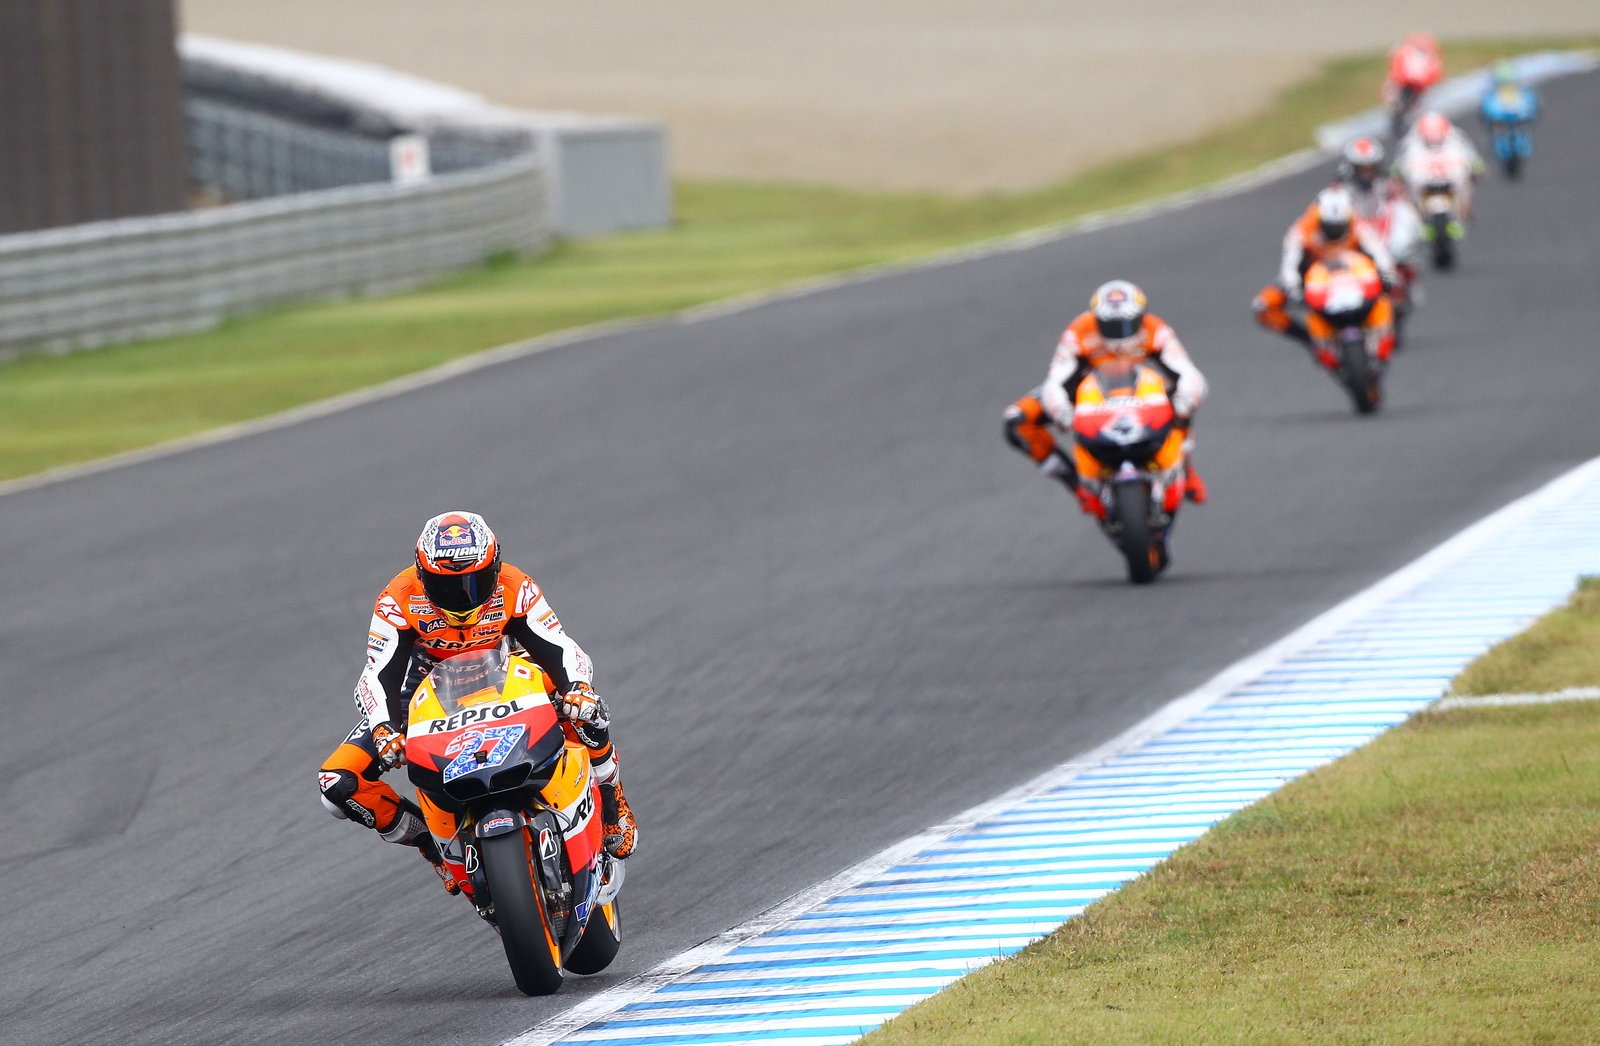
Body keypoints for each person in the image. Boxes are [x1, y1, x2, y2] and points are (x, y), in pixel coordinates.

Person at [318, 510, 637, 897]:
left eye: (476, 580)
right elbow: (377, 673)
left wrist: (578, 686)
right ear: (422, 573)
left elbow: (559, 645)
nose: (464, 595)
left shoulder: (516, 586)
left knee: (587, 709)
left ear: (495, 564)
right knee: (337, 783)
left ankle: (611, 799)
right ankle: (429, 844)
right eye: (447, 584)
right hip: (424, 692)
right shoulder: (397, 599)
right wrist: (384, 727)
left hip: (513, 672)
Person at [1003, 279, 1209, 508]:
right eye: (1110, 325)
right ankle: (1076, 484)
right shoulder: (1079, 331)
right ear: (1096, 318)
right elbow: (1055, 379)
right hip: (1086, 389)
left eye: (1128, 323)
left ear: (1141, 316)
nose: (1120, 334)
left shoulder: (1155, 329)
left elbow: (1187, 372)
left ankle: (1184, 463)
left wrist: (1185, 399)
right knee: (1017, 420)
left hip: (1139, 386)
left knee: (1181, 396)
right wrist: (1061, 410)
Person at [1253, 185, 1399, 348]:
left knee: (1394, 286)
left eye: (1339, 226)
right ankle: (1309, 339)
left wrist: (1387, 273)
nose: (1334, 232)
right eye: (1329, 226)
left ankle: (1383, 331)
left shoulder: (1358, 225)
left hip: (1354, 273)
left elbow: (1379, 251)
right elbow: (1289, 263)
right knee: (1263, 305)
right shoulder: (1301, 229)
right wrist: (1293, 286)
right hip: (1312, 277)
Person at [1333, 137, 1423, 307]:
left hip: (1384, 233)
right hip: (1356, 237)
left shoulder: (1388, 185)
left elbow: (1405, 207)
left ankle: (1407, 283)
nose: (1366, 173)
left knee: (1403, 247)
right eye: (1361, 169)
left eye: (1370, 168)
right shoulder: (1340, 189)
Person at [1394, 111, 1485, 221]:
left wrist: (1476, 167)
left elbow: (1472, 156)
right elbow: (1399, 163)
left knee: (1466, 183)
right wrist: (1398, 173)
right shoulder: (1411, 143)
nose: (1434, 141)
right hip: (1423, 183)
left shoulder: (1456, 138)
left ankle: (1465, 210)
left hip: (1450, 180)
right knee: (1404, 189)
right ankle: (1415, 215)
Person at [1383, 32, 1443, 137]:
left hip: (1415, 86)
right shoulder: (1405, 54)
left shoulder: (1426, 58)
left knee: (1407, 108)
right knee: (1401, 107)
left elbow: (1433, 77)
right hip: (1408, 85)